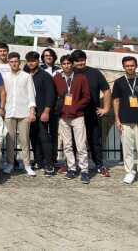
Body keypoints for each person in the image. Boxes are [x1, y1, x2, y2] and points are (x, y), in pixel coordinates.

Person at [113, 56, 138, 187]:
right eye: (127, 66)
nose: (130, 68)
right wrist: (117, 119)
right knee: (127, 150)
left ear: (136, 66)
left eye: (132, 65)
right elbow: (116, 101)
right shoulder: (119, 82)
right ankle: (130, 172)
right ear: (123, 67)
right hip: (125, 121)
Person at [71, 49, 111, 177]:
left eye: (82, 60)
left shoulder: (95, 73)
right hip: (75, 113)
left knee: (95, 140)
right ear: (73, 62)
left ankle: (99, 164)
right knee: (73, 141)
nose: (80, 63)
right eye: (77, 61)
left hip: (92, 113)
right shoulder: (70, 73)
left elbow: (106, 90)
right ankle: (72, 165)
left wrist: (106, 108)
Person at [53, 55, 91, 184]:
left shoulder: (81, 78)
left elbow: (86, 97)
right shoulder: (57, 78)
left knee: (81, 145)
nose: (67, 66)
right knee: (67, 145)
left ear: (72, 65)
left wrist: (76, 107)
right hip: (63, 116)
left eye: (69, 63)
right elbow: (55, 96)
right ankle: (71, 168)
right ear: (61, 65)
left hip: (78, 116)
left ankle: (84, 170)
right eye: (64, 64)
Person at [1, 52, 36, 176]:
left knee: (24, 140)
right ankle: (10, 163)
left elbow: (31, 95)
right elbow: (2, 94)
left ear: (19, 62)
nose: (14, 63)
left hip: (24, 112)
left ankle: (27, 165)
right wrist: (2, 109)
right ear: (9, 63)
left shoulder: (26, 76)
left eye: (16, 61)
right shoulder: (4, 76)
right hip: (9, 111)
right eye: (11, 61)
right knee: (9, 140)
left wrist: (32, 111)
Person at [25, 51, 56, 176]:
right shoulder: (25, 74)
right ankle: (38, 161)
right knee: (33, 137)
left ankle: (49, 164)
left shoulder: (45, 76)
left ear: (38, 61)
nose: (31, 63)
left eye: (34, 60)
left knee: (44, 138)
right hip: (28, 113)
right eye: (29, 61)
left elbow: (50, 95)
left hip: (42, 112)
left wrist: (46, 111)